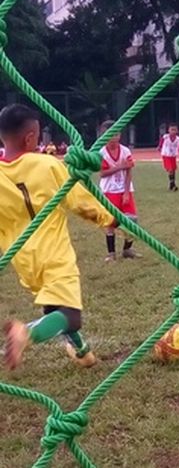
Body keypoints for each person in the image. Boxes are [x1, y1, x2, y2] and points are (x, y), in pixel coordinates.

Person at [0, 104, 114, 370]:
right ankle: (25, 333)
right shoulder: (47, 165)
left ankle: (83, 352)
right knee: (71, 316)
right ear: (30, 137)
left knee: (55, 309)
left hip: (22, 260)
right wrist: (112, 219)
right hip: (53, 254)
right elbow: (81, 202)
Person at [99, 121, 140, 262]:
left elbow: (129, 171)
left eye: (116, 133)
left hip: (124, 190)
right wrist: (120, 166)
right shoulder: (101, 152)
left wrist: (127, 192)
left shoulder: (125, 151)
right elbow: (102, 173)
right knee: (110, 223)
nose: (114, 137)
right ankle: (111, 254)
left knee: (132, 221)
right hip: (109, 191)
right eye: (110, 134)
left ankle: (127, 250)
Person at [157, 123, 179, 191]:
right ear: (169, 130)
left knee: (173, 169)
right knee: (170, 169)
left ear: (177, 131)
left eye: (175, 130)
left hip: (173, 156)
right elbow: (161, 142)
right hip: (166, 155)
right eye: (172, 130)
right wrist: (159, 147)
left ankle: (172, 184)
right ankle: (173, 184)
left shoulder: (178, 139)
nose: (173, 131)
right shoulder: (165, 137)